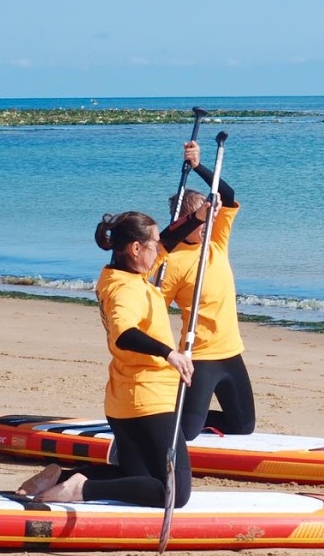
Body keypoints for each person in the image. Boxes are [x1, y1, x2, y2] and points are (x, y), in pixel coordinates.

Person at [18, 208, 203, 505]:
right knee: (174, 492)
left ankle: (63, 478)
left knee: (135, 474)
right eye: (153, 245)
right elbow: (123, 333)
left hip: (125, 401)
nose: (160, 250)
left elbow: (168, 239)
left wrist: (200, 216)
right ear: (136, 248)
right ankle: (82, 489)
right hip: (149, 400)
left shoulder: (121, 272)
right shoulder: (124, 290)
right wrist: (169, 353)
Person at [159, 139, 256, 440]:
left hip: (231, 352)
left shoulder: (216, 243)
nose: (209, 221)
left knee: (243, 427)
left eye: (210, 215)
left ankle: (182, 413)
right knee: (186, 433)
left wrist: (198, 166)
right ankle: (159, 417)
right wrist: (167, 354)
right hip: (199, 355)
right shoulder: (171, 263)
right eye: (201, 218)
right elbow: (154, 311)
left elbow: (227, 195)